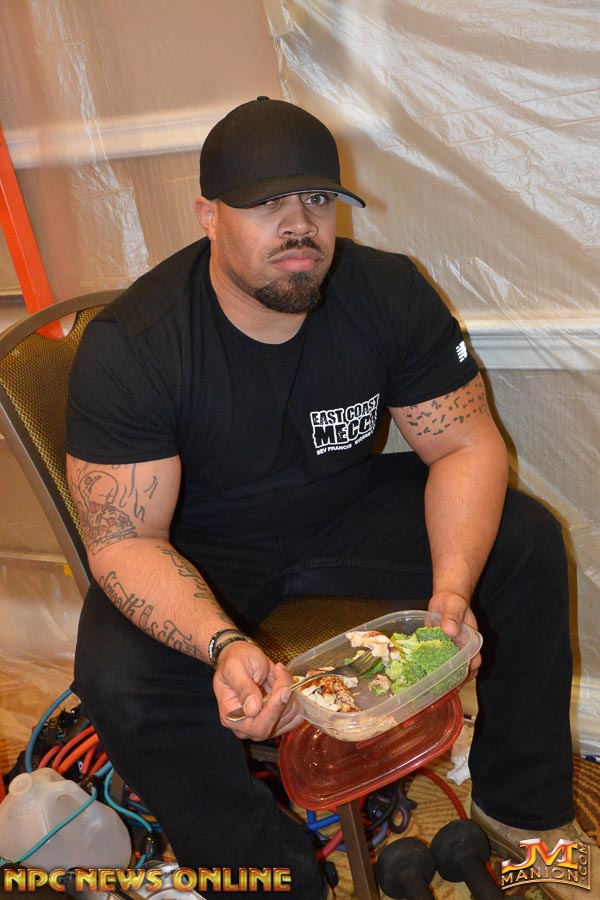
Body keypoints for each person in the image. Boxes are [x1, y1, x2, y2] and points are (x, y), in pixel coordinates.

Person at [66, 97, 596, 900]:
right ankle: (273, 883)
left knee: (522, 542)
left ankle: (524, 815)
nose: (299, 225)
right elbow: (123, 541)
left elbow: (465, 445)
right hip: (202, 544)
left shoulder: (386, 291)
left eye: (316, 199)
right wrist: (221, 645)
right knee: (120, 673)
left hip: (345, 507)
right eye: (265, 203)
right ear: (208, 214)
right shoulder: (137, 344)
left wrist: (452, 591)